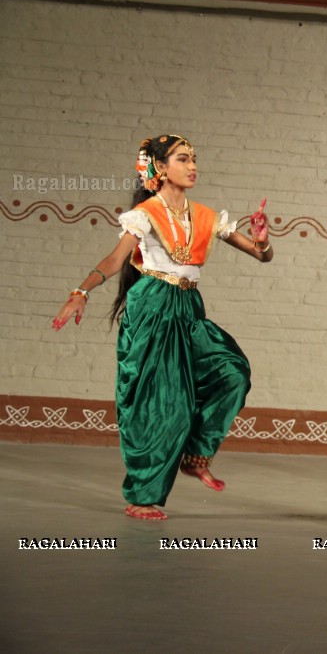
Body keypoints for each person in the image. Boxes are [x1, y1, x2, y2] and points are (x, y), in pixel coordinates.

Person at [52, 135, 273, 520]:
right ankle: (143, 495)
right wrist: (80, 291)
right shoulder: (145, 214)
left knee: (233, 372)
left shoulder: (204, 216)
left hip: (188, 306)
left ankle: (196, 454)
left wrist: (263, 241)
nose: (193, 166)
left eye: (194, 159)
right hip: (153, 307)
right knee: (161, 405)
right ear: (160, 168)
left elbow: (261, 256)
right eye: (183, 159)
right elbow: (116, 258)